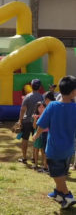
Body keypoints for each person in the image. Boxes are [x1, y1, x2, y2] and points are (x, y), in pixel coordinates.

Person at [33, 75, 76, 209]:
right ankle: (58, 193)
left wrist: (36, 134)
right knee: (61, 172)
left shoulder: (52, 106)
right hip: (69, 149)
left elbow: (42, 123)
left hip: (54, 149)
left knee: (57, 174)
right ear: (74, 92)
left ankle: (67, 195)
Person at [18, 79, 43, 164]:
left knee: (25, 139)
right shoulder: (41, 97)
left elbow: (22, 109)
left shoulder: (27, 96)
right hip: (37, 121)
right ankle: (33, 157)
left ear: (31, 86)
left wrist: (20, 121)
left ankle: (24, 158)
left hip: (27, 120)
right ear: (39, 87)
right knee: (35, 139)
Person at [32, 101, 46, 170]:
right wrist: (35, 119)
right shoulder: (36, 116)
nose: (41, 109)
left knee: (43, 150)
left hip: (45, 134)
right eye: (39, 107)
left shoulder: (46, 115)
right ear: (37, 108)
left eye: (43, 107)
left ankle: (44, 164)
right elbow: (34, 127)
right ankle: (36, 164)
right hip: (37, 133)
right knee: (36, 149)